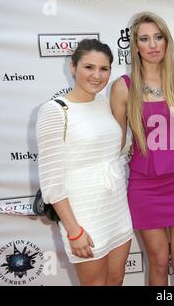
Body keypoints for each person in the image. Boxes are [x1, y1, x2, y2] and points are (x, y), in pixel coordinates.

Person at [36, 39, 133, 285]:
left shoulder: (103, 103)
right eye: (89, 67)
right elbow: (51, 179)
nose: (96, 76)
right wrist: (73, 229)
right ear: (73, 67)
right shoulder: (55, 110)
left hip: (117, 208)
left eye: (104, 69)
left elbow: (116, 150)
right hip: (84, 214)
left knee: (116, 280)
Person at [110, 12, 174, 286]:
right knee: (158, 262)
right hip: (145, 187)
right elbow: (114, 143)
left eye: (158, 37)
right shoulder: (123, 88)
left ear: (167, 42)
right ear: (135, 46)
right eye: (145, 39)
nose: (153, 44)